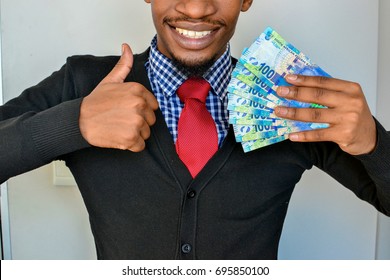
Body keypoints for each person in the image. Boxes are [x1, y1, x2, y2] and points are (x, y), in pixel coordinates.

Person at [0, 0, 389, 259]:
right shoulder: (83, 83)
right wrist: (74, 122)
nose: (197, 9)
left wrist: (373, 141)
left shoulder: (289, 98)